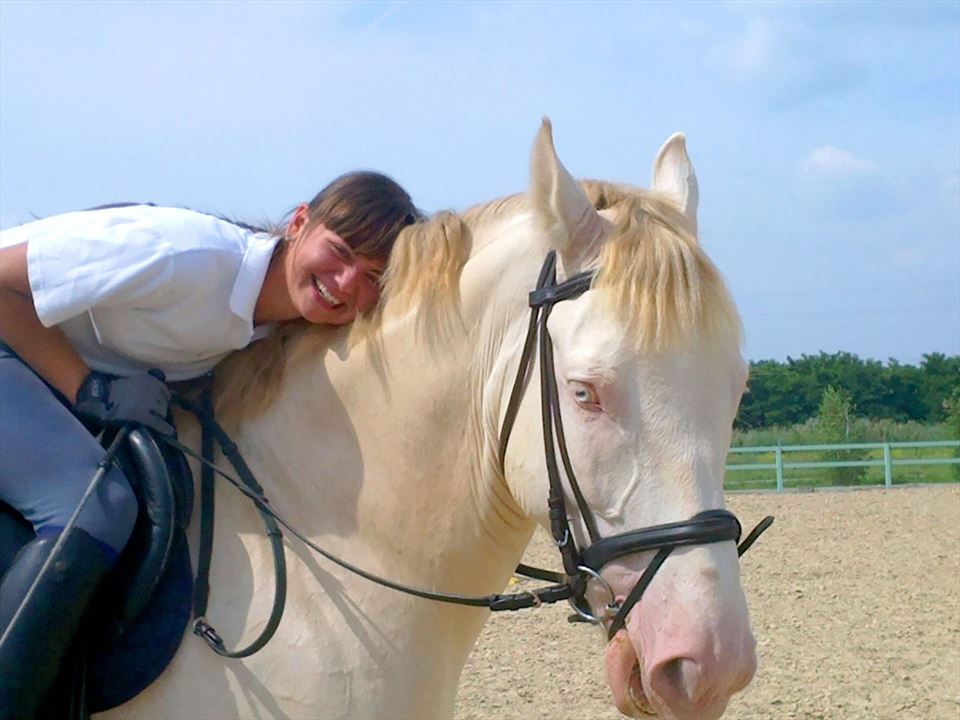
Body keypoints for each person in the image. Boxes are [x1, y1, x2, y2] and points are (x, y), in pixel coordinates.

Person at [0, 171, 419, 718]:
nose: (344, 284)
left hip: (40, 377)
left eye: (371, 276)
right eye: (339, 252)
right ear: (298, 222)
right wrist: (89, 387)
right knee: (95, 507)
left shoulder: (272, 329)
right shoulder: (184, 255)